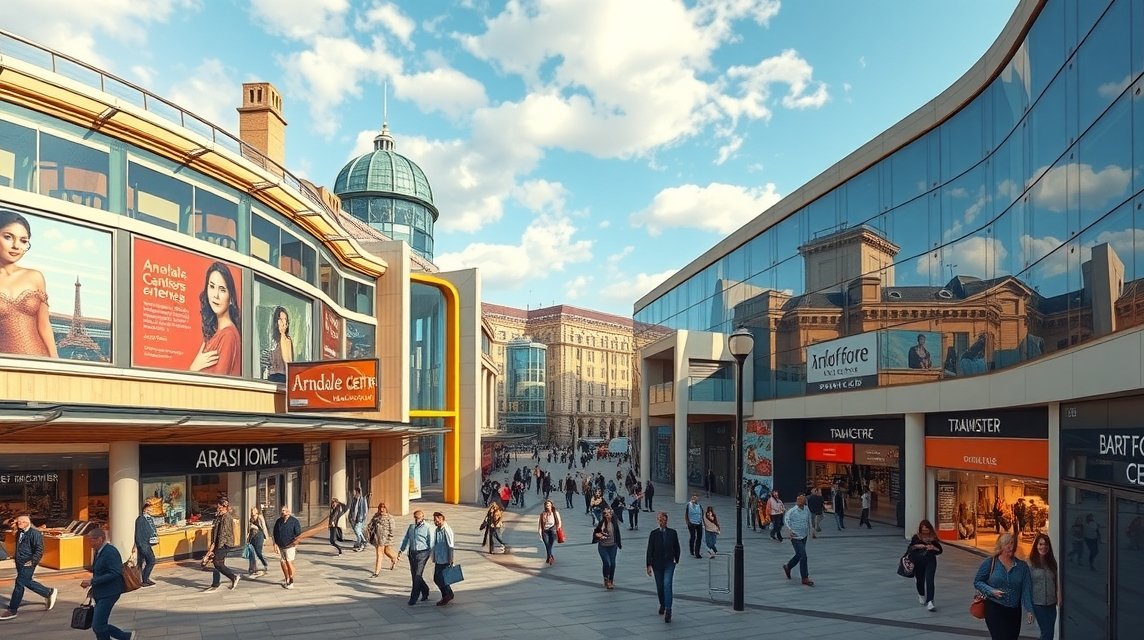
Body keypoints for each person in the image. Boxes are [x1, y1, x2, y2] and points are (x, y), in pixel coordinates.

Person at [0, 210, 58, 358]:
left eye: (23, 241)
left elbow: (44, 326)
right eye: (8, 237)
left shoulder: (35, 277)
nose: (16, 246)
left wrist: (56, 363)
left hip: (40, 363)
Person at [973, 533, 1034, 640]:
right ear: (1001, 546)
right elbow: (978, 581)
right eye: (1007, 544)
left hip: (1014, 611)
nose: (1011, 547)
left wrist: (1029, 610)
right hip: (994, 608)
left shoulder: (1022, 567)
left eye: (1013, 544)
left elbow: (1026, 590)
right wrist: (991, 591)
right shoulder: (990, 562)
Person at [79, 527, 134, 640]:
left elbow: (115, 572)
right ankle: (126, 636)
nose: (90, 543)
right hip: (101, 592)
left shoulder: (110, 552)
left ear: (100, 539)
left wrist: (92, 581)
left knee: (98, 625)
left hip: (110, 592)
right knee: (100, 624)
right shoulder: (98, 551)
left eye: (91, 540)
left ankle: (124, 636)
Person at [0, 515, 57, 621]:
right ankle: (48, 592)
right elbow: (6, 524)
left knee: (19, 584)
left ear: (26, 522)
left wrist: (32, 561)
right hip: (20, 562)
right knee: (27, 581)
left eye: (20, 522)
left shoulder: (35, 533)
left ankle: (12, 610)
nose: (18, 524)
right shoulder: (19, 532)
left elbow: (39, 549)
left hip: (28, 563)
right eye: (18, 522)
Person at [189, 262, 241, 375]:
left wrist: (193, 369)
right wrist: (194, 367)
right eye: (212, 286)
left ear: (230, 297)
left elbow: (217, 385)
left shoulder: (228, 336)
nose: (215, 295)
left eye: (222, 289)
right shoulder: (216, 334)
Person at [646, 511, 681, 623]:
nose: (662, 522)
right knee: (660, 586)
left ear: (667, 521)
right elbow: (650, 549)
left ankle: (668, 610)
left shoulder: (672, 533)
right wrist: (648, 564)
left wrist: (676, 559)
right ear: (658, 521)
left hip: (669, 563)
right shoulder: (654, 534)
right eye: (660, 520)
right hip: (657, 564)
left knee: (667, 584)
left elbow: (677, 547)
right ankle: (662, 604)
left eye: (664, 520)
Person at [397, 510, 432, 605]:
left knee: (417, 575)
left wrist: (432, 554)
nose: (417, 520)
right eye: (415, 518)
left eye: (418, 518)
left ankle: (414, 597)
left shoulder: (428, 527)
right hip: (412, 553)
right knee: (415, 575)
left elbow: (431, 542)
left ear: (422, 517)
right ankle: (425, 590)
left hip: (423, 553)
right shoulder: (411, 527)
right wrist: (401, 550)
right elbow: (406, 539)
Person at [204, 498, 239, 592]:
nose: (217, 508)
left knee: (217, 562)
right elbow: (215, 529)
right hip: (217, 543)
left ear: (224, 507)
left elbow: (223, 533)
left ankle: (234, 577)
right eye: (218, 507)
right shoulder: (220, 517)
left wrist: (217, 547)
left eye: (219, 507)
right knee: (218, 563)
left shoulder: (227, 517)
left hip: (224, 543)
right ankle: (215, 583)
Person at [1028, 533, 1058, 640]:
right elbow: (1027, 586)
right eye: (1040, 544)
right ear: (1036, 545)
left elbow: (1057, 582)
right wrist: (1029, 608)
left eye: (1046, 545)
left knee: (1050, 633)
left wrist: (1059, 597)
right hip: (1038, 603)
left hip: (1051, 603)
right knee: (1046, 632)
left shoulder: (1052, 562)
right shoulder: (1030, 563)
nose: (1043, 547)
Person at [908, 519, 943, 611]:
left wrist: (933, 547)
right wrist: (917, 546)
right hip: (918, 560)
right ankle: (921, 594)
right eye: (923, 530)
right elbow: (910, 548)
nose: (925, 532)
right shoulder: (916, 537)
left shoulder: (933, 537)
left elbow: (940, 550)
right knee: (920, 579)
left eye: (927, 530)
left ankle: (930, 601)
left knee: (930, 580)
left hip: (930, 560)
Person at [781, 494, 814, 586]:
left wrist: (811, 529)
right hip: (795, 536)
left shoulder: (806, 509)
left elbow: (809, 519)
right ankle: (805, 578)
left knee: (799, 555)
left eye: (803, 503)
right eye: (801, 502)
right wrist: (790, 531)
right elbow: (786, 520)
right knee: (803, 556)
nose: (802, 504)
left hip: (804, 535)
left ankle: (788, 566)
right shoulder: (792, 511)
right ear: (798, 502)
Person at [272, 504, 301, 589]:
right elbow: (275, 533)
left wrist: (295, 543)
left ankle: (291, 580)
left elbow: (298, 533)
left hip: (290, 545)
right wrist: (275, 543)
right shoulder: (279, 521)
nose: (282, 512)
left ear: (288, 511)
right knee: (282, 562)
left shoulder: (294, 521)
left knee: (289, 562)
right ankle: (286, 578)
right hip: (281, 545)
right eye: (282, 510)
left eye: (284, 510)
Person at [430, 512, 456, 606]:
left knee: (439, 578)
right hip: (439, 558)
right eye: (434, 520)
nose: (435, 522)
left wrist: (451, 559)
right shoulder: (437, 530)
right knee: (438, 578)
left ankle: (447, 595)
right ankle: (447, 594)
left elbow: (450, 546)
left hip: (445, 558)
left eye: (436, 520)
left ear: (442, 519)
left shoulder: (446, 530)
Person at [593, 508, 622, 589]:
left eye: (608, 513)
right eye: (605, 513)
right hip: (603, 547)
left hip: (613, 546)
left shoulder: (614, 522)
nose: (607, 515)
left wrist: (612, 512)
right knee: (607, 563)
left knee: (612, 563)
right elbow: (596, 533)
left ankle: (610, 580)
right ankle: (606, 578)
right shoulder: (601, 523)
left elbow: (617, 517)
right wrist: (598, 535)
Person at [262, 305, 293, 382]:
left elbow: (287, 359)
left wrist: (282, 334)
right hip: (271, 376)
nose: (283, 322)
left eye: (285, 319)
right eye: (280, 319)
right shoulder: (271, 340)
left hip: (283, 377)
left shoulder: (287, 340)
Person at [130, 504, 159, 587]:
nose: (151, 510)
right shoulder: (141, 520)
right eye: (149, 509)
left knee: (143, 562)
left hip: (147, 543)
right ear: (145, 510)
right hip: (143, 544)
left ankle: (145, 579)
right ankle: (144, 580)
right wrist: (140, 545)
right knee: (151, 560)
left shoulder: (149, 519)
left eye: (152, 509)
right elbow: (138, 533)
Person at [367, 502, 399, 577]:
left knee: (384, 552)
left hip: (386, 538)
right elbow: (370, 525)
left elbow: (392, 529)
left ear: (386, 509)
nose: (381, 509)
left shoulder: (389, 517)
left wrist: (390, 538)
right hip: (377, 538)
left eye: (383, 508)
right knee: (382, 552)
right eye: (380, 508)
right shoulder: (376, 516)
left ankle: (394, 559)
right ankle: (377, 571)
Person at [245, 507, 270, 577]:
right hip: (252, 537)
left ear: (256, 511)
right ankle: (252, 568)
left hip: (259, 535)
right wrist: (247, 538)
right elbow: (249, 530)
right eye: (251, 511)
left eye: (254, 511)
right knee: (252, 553)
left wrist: (266, 537)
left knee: (258, 552)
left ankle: (265, 564)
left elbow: (264, 527)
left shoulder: (260, 517)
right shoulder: (250, 519)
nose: (252, 512)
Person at [538, 499, 561, 565]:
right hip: (544, 531)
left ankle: (549, 557)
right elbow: (540, 524)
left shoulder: (555, 513)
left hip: (552, 530)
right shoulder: (542, 514)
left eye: (549, 505)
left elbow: (559, 522)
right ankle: (550, 556)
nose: (547, 506)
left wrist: (557, 529)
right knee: (546, 544)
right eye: (546, 505)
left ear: (551, 505)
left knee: (550, 545)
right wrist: (539, 532)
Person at [348, 488, 368, 552]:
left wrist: (364, 517)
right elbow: (351, 508)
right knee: (357, 530)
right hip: (354, 518)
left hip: (360, 518)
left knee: (357, 529)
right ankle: (362, 541)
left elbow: (365, 509)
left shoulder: (362, 499)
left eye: (355, 492)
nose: (353, 493)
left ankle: (359, 542)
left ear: (358, 492)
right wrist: (350, 516)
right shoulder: (354, 499)